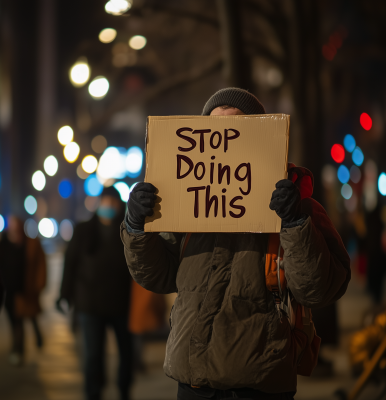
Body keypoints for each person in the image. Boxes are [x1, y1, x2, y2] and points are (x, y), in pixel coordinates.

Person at [120, 88, 351, 400]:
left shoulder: (298, 206)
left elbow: (320, 289)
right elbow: (156, 276)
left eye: (235, 132)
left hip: (257, 387)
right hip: (192, 383)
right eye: (215, 131)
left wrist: (295, 224)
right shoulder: (185, 205)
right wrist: (137, 226)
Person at [57, 186, 133, 400]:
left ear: (119, 205)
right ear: (98, 204)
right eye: (105, 202)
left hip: (121, 303)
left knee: (126, 354)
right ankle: (93, 393)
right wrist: (65, 294)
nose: (108, 206)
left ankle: (124, 391)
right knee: (92, 356)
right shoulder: (84, 229)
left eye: (112, 202)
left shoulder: (127, 230)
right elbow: (70, 262)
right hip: (90, 304)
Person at [0, 215, 46, 366]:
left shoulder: (31, 244)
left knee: (26, 317)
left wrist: (38, 285)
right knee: (16, 321)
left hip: (26, 290)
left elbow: (40, 266)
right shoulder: (3, 245)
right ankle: (18, 348)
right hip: (9, 292)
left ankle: (19, 349)